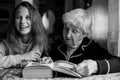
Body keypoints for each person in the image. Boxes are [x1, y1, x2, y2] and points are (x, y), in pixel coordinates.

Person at [49, 8, 120, 77]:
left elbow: (118, 63)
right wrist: (46, 60)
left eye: (74, 31)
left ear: (84, 34)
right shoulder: (58, 44)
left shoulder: (92, 48)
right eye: (66, 29)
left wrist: (96, 66)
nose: (68, 35)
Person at [0, 1, 51, 78]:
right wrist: (23, 57)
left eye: (28, 17)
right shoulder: (5, 41)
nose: (23, 21)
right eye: (18, 18)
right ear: (13, 21)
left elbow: (32, 61)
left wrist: (44, 61)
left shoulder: (39, 39)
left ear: (34, 20)